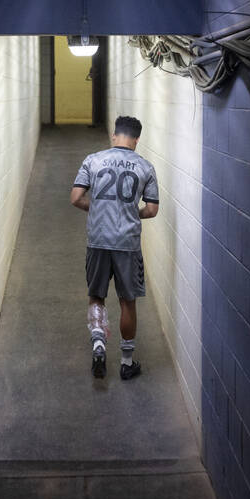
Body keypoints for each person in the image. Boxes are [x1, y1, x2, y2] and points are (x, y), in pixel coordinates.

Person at [70, 115, 159, 379]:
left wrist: (96, 208)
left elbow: (75, 198)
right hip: (127, 243)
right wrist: (131, 213)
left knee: (97, 295)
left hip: (98, 239)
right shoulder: (146, 167)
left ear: (114, 135)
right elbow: (152, 209)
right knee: (127, 301)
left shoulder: (93, 160)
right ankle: (127, 362)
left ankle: (98, 344)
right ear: (137, 139)